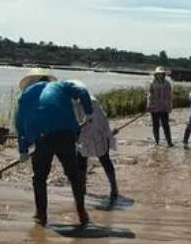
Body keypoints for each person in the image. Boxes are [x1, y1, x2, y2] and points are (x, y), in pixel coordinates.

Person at [15, 68, 93, 227]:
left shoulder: (26, 95)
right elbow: (83, 91)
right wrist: (89, 113)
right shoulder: (61, 85)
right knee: (74, 175)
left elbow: (21, 125)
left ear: (31, 82)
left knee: (39, 178)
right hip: (66, 136)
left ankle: (41, 215)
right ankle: (82, 212)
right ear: (47, 79)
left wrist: (23, 150)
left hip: (43, 139)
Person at [78, 96, 119, 201]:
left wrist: (108, 134)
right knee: (82, 161)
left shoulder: (92, 103)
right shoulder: (73, 104)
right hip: (84, 138)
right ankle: (82, 188)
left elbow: (102, 121)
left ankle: (113, 188)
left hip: (96, 136)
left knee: (104, 160)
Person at [148, 66, 174, 147]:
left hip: (164, 107)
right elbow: (149, 95)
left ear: (164, 74)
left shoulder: (167, 83)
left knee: (166, 125)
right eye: (158, 74)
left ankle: (169, 142)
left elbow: (170, 96)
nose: (160, 75)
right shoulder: (152, 83)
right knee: (155, 125)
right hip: (154, 107)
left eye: (161, 74)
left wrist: (170, 106)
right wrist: (148, 105)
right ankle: (157, 141)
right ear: (156, 74)